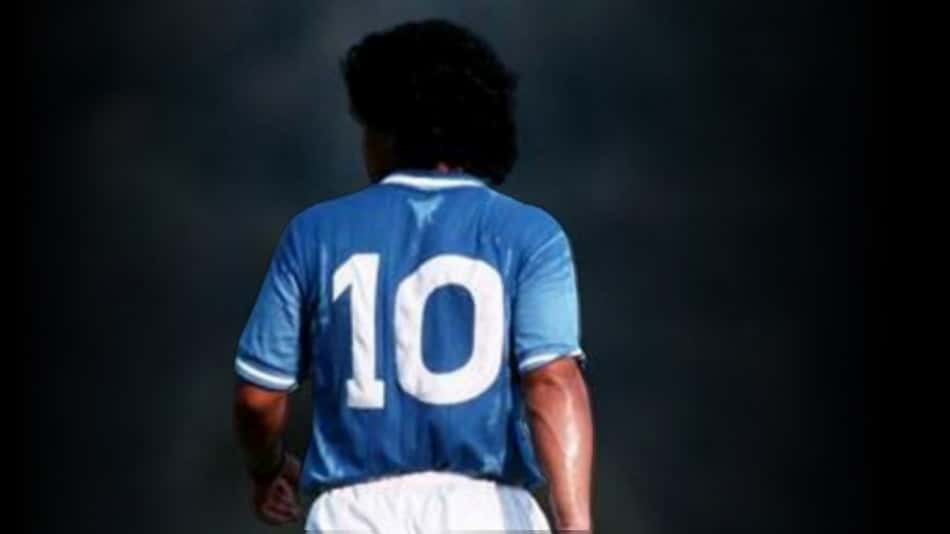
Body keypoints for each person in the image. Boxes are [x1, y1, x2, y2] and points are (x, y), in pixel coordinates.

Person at [232, 19, 594, 533]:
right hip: (487, 512)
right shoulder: (530, 234)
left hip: (353, 516)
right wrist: (575, 524)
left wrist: (267, 468)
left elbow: (258, 398)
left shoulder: (315, 233)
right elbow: (553, 380)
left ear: (388, 130)